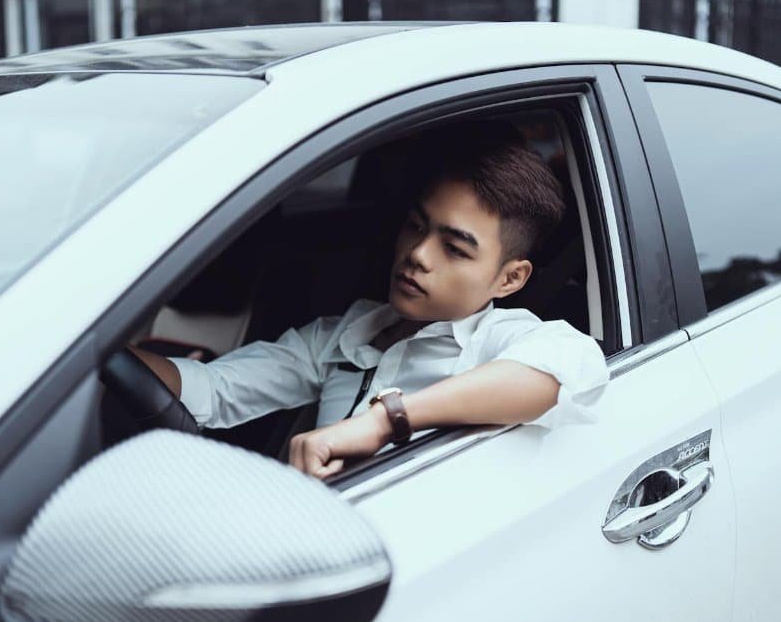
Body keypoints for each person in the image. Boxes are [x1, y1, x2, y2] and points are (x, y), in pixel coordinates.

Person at [130, 120, 610, 479]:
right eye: (416, 227)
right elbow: (211, 390)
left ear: (509, 279)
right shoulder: (345, 334)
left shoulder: (500, 341)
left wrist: (385, 422)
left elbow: (560, 373)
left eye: (455, 248)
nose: (418, 255)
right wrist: (95, 355)